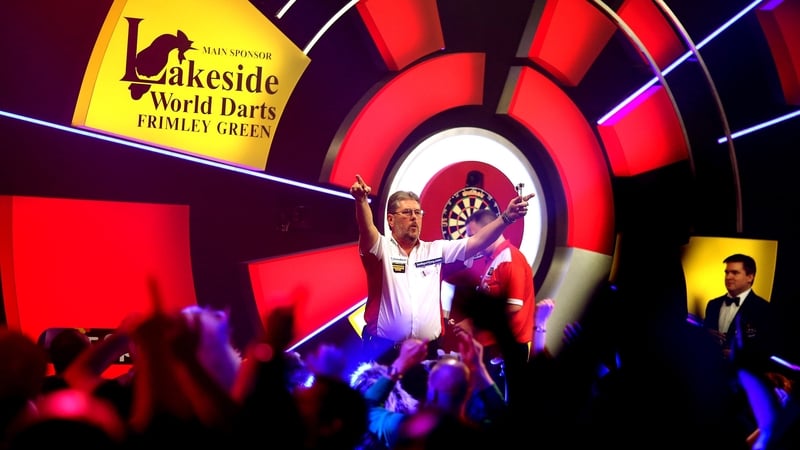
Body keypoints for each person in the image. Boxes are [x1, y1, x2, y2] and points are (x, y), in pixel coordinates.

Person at [349, 174, 534, 364]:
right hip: (384, 354)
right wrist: (361, 201)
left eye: (418, 213)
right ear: (391, 220)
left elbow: (476, 241)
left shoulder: (436, 250)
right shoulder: (380, 249)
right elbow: (367, 228)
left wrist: (506, 217)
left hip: (427, 353)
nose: (414, 218)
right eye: (407, 213)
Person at [703, 253, 776, 363]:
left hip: (742, 375)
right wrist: (706, 334)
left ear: (750, 277)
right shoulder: (713, 304)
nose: (728, 277)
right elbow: (703, 338)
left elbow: (768, 349)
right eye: (727, 272)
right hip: (709, 370)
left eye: (735, 273)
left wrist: (738, 355)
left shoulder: (764, 309)